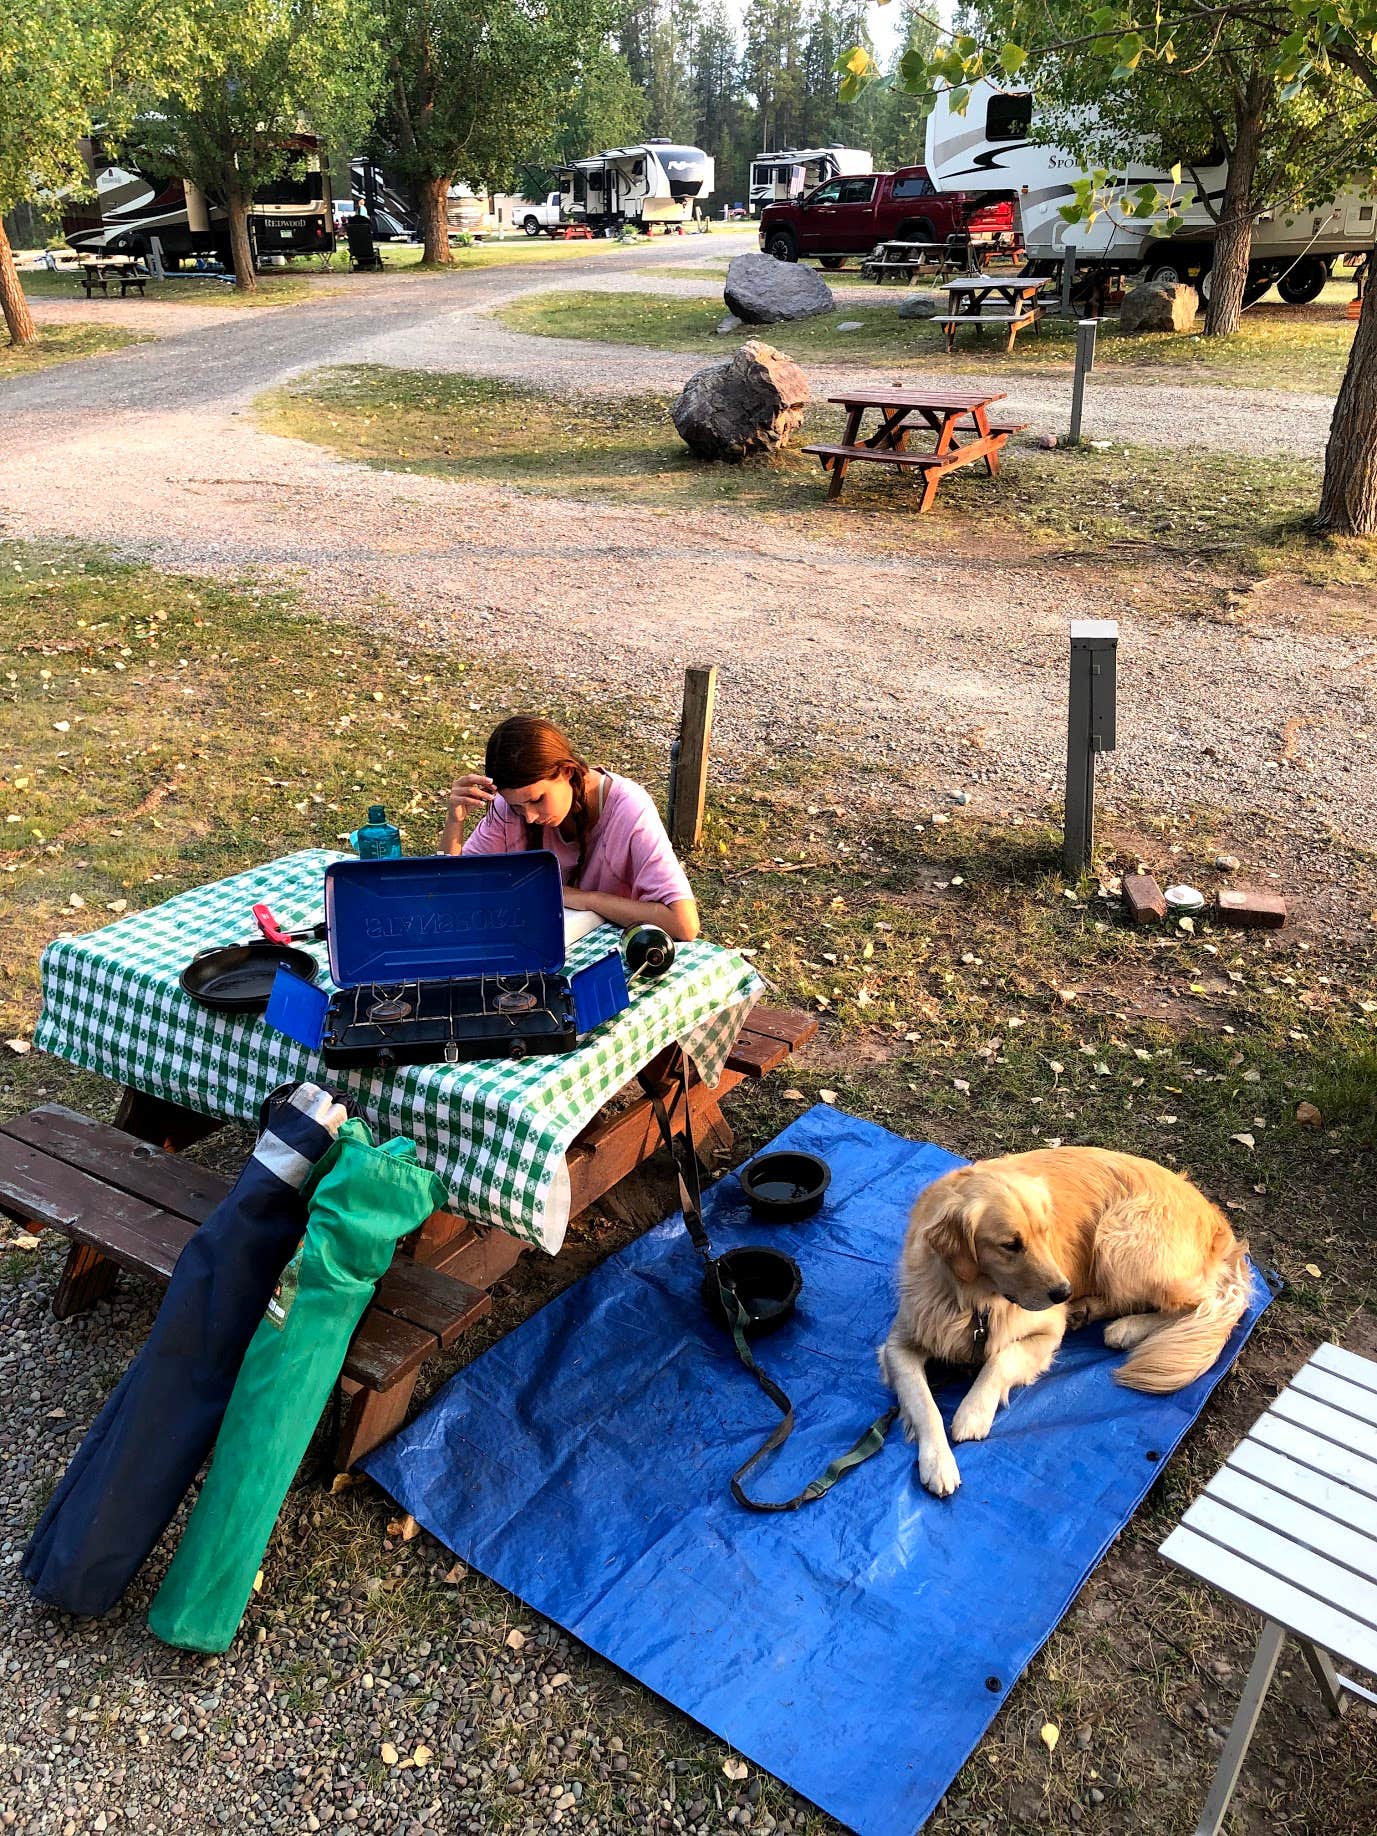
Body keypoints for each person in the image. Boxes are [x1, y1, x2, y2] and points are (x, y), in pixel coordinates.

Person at [441, 715, 700, 942]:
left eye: (537, 800)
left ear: (566, 771)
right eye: (517, 807)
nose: (529, 817)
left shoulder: (629, 807)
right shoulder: (509, 809)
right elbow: (450, 895)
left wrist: (586, 899)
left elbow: (684, 923)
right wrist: (455, 822)